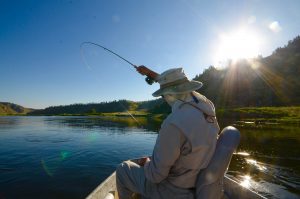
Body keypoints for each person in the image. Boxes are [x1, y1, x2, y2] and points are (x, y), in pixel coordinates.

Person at [116, 66, 220, 199]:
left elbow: (155, 176)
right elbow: (177, 85)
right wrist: (151, 74)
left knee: (123, 168)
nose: (164, 99)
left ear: (170, 95)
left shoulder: (173, 123)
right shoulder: (207, 108)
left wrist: (147, 162)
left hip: (173, 191)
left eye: (164, 95)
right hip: (196, 183)